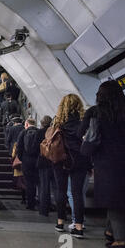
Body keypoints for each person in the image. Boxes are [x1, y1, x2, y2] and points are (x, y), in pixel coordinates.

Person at [79, 80, 125, 248]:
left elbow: (86, 136)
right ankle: (109, 232)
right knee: (118, 198)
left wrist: (86, 149)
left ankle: (120, 241)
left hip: (106, 164)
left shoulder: (96, 113)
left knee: (113, 203)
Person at [52, 94, 92, 238]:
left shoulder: (57, 123)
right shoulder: (83, 123)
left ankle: (60, 222)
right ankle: (79, 227)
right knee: (77, 194)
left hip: (61, 159)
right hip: (79, 159)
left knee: (61, 190)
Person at [16, 118, 40, 211]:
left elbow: (19, 147)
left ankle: (30, 204)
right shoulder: (39, 132)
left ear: (26, 124)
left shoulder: (23, 133)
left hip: (26, 161)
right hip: (37, 161)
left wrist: (22, 159)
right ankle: (40, 202)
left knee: (29, 183)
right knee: (38, 182)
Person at [36, 116, 55, 217]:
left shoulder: (39, 132)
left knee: (44, 186)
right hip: (54, 161)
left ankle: (44, 210)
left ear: (42, 123)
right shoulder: (54, 132)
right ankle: (61, 210)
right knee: (57, 187)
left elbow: (35, 148)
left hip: (43, 162)